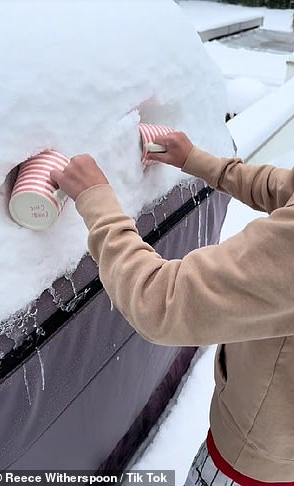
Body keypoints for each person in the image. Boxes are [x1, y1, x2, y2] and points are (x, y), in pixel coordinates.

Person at [50, 132, 294, 485]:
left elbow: (160, 302)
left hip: (255, 465)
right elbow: (284, 188)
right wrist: (199, 161)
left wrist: (95, 200)